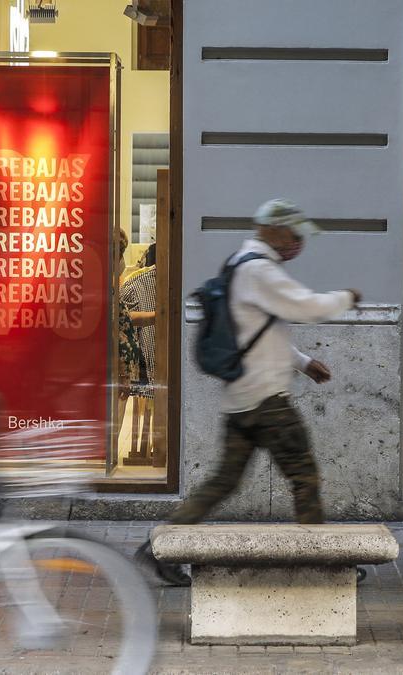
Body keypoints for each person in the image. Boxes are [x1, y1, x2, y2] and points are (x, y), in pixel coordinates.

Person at [137, 198, 360, 585]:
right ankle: (325, 564)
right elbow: (306, 307)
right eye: (293, 234)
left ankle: (157, 550)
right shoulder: (260, 271)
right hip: (268, 403)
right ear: (271, 231)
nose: (297, 242)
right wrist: (347, 297)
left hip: (242, 400)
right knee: (305, 477)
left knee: (224, 481)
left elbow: (259, 333)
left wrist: (304, 363)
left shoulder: (241, 263)